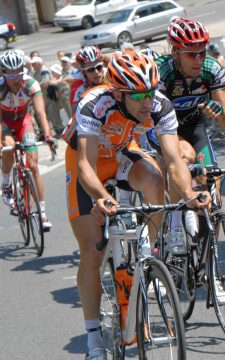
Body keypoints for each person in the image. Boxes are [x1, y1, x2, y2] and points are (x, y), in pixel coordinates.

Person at [64, 49, 211, 360]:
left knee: (156, 179)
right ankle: (93, 339)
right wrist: (102, 197)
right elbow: (86, 167)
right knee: (92, 251)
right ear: (118, 93)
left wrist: (190, 196)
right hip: (87, 163)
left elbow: (173, 162)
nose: (148, 101)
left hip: (119, 153)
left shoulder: (159, 105)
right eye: (139, 94)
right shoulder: (94, 104)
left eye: (152, 91)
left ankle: (148, 249)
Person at [153, 18, 225, 255]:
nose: (199, 59)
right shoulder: (162, 71)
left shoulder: (211, 69)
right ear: (175, 52)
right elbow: (153, 120)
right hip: (165, 131)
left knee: (214, 192)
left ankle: (211, 264)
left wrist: (219, 112)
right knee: (183, 156)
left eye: (202, 52)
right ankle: (176, 224)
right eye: (191, 54)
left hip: (195, 128)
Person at [0, 50, 56, 229]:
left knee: (33, 166)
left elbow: (40, 113)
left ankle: (42, 213)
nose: (15, 78)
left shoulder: (31, 84)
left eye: (19, 72)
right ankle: (6, 183)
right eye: (11, 74)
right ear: (3, 73)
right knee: (8, 147)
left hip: (24, 122)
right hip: (4, 122)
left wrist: (47, 134)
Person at [66, 46, 106, 110]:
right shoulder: (77, 85)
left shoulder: (110, 75)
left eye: (99, 67)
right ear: (83, 71)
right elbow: (75, 115)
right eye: (90, 69)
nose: (96, 72)